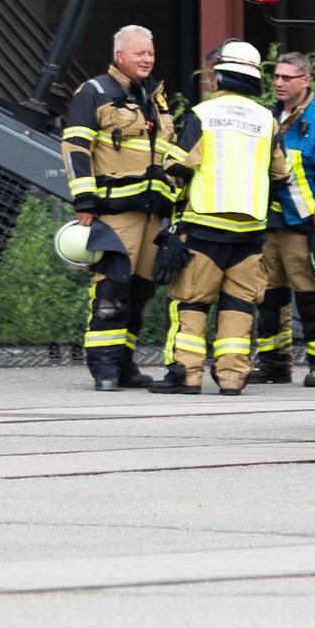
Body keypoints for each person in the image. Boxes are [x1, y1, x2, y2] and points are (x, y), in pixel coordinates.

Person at [152, 40, 289, 396]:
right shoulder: (267, 120)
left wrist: (164, 151)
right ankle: (232, 378)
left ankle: (186, 375)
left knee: (192, 302)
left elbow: (179, 163)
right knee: (239, 306)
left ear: (220, 77)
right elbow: (281, 173)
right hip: (251, 233)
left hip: (205, 228)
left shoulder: (204, 114)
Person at [62, 25, 181, 392]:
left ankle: (124, 362)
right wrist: (84, 200)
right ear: (119, 56)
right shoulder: (94, 92)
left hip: (152, 212)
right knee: (111, 288)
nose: (147, 59)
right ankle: (104, 368)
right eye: (139, 53)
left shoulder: (153, 98)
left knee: (140, 291)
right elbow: (75, 148)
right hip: (115, 212)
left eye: (150, 53)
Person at [256, 52, 315, 386]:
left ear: (305, 80)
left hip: (304, 223)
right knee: (269, 297)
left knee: (312, 295)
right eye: (276, 76)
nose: (279, 83)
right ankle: (273, 363)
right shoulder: (268, 116)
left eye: (287, 77)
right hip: (270, 222)